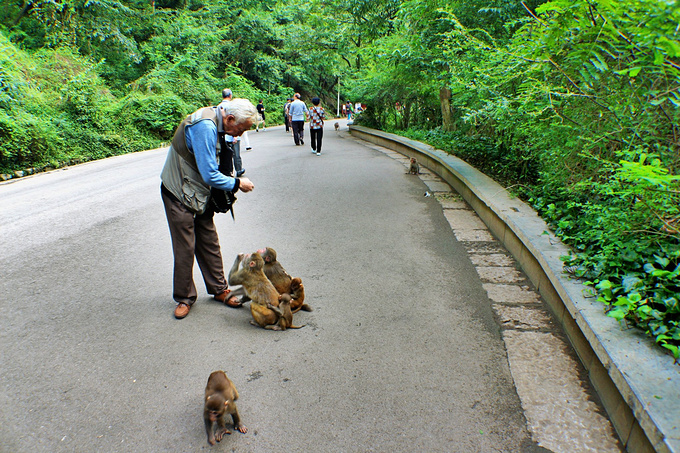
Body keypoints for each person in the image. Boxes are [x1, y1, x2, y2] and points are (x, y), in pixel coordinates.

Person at [160, 98, 258, 319]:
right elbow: (209, 174)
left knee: (209, 240)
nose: (240, 134)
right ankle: (185, 297)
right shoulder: (205, 126)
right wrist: (237, 184)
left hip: (198, 192)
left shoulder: (222, 122)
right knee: (185, 246)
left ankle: (219, 289)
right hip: (178, 191)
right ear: (230, 118)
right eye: (240, 129)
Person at [220, 89, 246, 176]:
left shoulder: (219, 106)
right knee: (236, 154)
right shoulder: (232, 106)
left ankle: (229, 172)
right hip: (233, 134)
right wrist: (235, 136)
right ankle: (239, 169)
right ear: (230, 95)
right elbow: (234, 121)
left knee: (227, 155)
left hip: (223, 135)